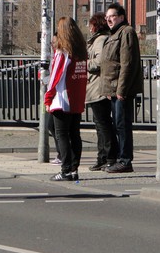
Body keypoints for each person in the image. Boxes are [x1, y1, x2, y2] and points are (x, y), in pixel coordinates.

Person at [100, 3, 143, 173]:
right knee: (118, 124)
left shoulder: (126, 32)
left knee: (122, 124)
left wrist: (121, 90)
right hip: (113, 89)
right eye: (107, 17)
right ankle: (120, 159)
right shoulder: (114, 34)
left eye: (112, 16)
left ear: (121, 17)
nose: (109, 19)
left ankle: (125, 160)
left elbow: (127, 64)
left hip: (121, 90)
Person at [45, 17, 88, 181]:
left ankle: (65, 169)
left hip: (63, 98)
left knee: (61, 134)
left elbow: (55, 77)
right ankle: (74, 169)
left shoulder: (63, 52)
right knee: (75, 134)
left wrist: (48, 98)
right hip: (77, 99)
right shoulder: (81, 52)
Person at [85, 13, 118, 171]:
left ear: (96, 26)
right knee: (101, 124)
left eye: (91, 24)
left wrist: (84, 63)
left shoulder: (100, 40)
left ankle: (108, 156)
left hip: (97, 87)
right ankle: (104, 156)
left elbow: (99, 61)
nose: (89, 28)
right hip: (95, 87)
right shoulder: (99, 39)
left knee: (103, 124)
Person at [48, 32, 61, 165]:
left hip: (59, 99)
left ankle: (64, 156)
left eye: (54, 41)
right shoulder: (56, 56)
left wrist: (48, 98)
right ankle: (62, 154)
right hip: (56, 98)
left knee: (56, 127)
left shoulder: (62, 55)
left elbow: (56, 78)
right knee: (52, 126)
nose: (52, 44)